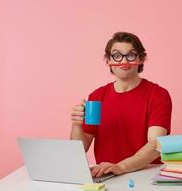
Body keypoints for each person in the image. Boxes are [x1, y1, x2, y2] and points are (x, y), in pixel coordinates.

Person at [70, 32, 172, 178]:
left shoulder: (158, 95)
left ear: (141, 59)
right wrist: (76, 125)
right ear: (108, 61)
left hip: (146, 176)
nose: (124, 61)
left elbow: (156, 145)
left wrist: (121, 167)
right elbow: (80, 149)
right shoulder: (96, 97)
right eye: (117, 55)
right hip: (106, 176)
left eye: (131, 55)